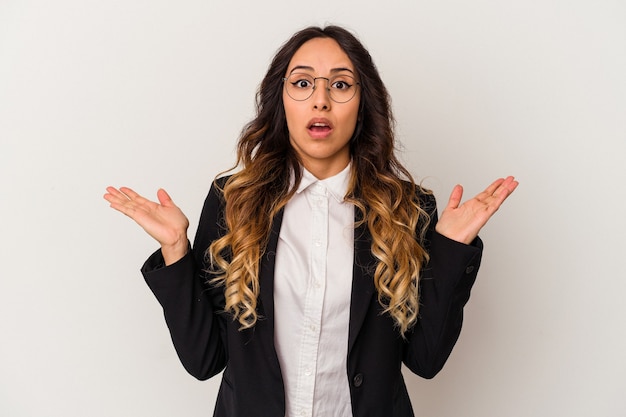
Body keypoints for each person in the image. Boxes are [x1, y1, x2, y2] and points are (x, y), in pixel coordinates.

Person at [104, 25, 518, 417]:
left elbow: (425, 360)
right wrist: (176, 250)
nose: (321, 100)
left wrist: (450, 249)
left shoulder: (408, 209)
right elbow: (205, 360)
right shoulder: (234, 203)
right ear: (281, 101)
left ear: (363, 103)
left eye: (340, 84)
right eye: (303, 83)